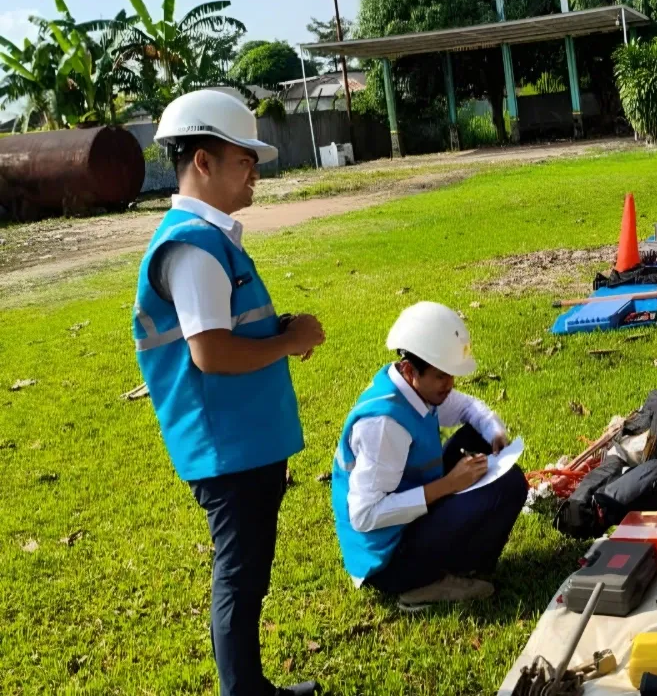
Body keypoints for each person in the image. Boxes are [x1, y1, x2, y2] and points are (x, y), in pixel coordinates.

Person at [133, 89, 323, 696]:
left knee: (248, 574)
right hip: (226, 448)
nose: (254, 174)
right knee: (239, 577)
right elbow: (209, 352)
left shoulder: (211, 239)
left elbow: (227, 329)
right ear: (204, 163)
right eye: (244, 160)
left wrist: (278, 330)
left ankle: (252, 687)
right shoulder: (192, 246)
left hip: (244, 442)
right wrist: (288, 344)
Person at [331, 301, 528, 604]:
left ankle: (454, 562)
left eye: (451, 375)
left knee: (481, 437)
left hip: (407, 521)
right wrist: (449, 485)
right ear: (410, 370)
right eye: (441, 376)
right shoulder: (384, 425)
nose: (449, 385)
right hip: (389, 561)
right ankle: (432, 581)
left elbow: (466, 407)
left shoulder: (413, 387)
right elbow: (365, 516)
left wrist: (495, 434)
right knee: (511, 485)